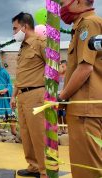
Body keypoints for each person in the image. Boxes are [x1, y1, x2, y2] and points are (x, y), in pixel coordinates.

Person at [59, 0, 102, 177]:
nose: (62, 6)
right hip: (86, 105)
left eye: (64, 2)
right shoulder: (86, 24)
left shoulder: (88, 24)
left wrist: (62, 97)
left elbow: (85, 67)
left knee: (87, 168)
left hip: (85, 107)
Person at [10, 12, 47, 178]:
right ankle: (33, 166)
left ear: (25, 27)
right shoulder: (23, 47)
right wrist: (13, 96)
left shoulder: (41, 43)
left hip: (36, 94)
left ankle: (45, 170)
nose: (13, 33)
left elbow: (53, 69)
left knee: (38, 134)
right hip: (22, 95)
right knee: (26, 133)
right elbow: (20, 75)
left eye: (15, 28)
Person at [57, 60, 67, 134]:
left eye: (63, 66)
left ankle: (66, 128)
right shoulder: (57, 76)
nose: (61, 68)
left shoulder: (67, 76)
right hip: (57, 96)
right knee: (58, 114)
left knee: (64, 114)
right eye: (60, 66)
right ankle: (60, 128)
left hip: (65, 96)